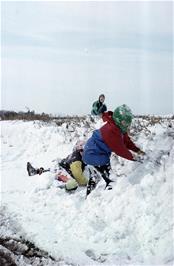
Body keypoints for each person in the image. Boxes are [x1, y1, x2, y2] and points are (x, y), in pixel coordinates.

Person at [83, 104, 145, 190]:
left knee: (98, 177)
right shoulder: (111, 130)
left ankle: (91, 195)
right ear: (118, 120)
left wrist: (138, 150)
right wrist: (136, 158)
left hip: (96, 152)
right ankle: (107, 194)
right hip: (92, 154)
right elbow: (121, 150)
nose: (127, 125)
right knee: (110, 179)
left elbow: (127, 142)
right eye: (124, 122)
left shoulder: (119, 128)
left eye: (128, 123)